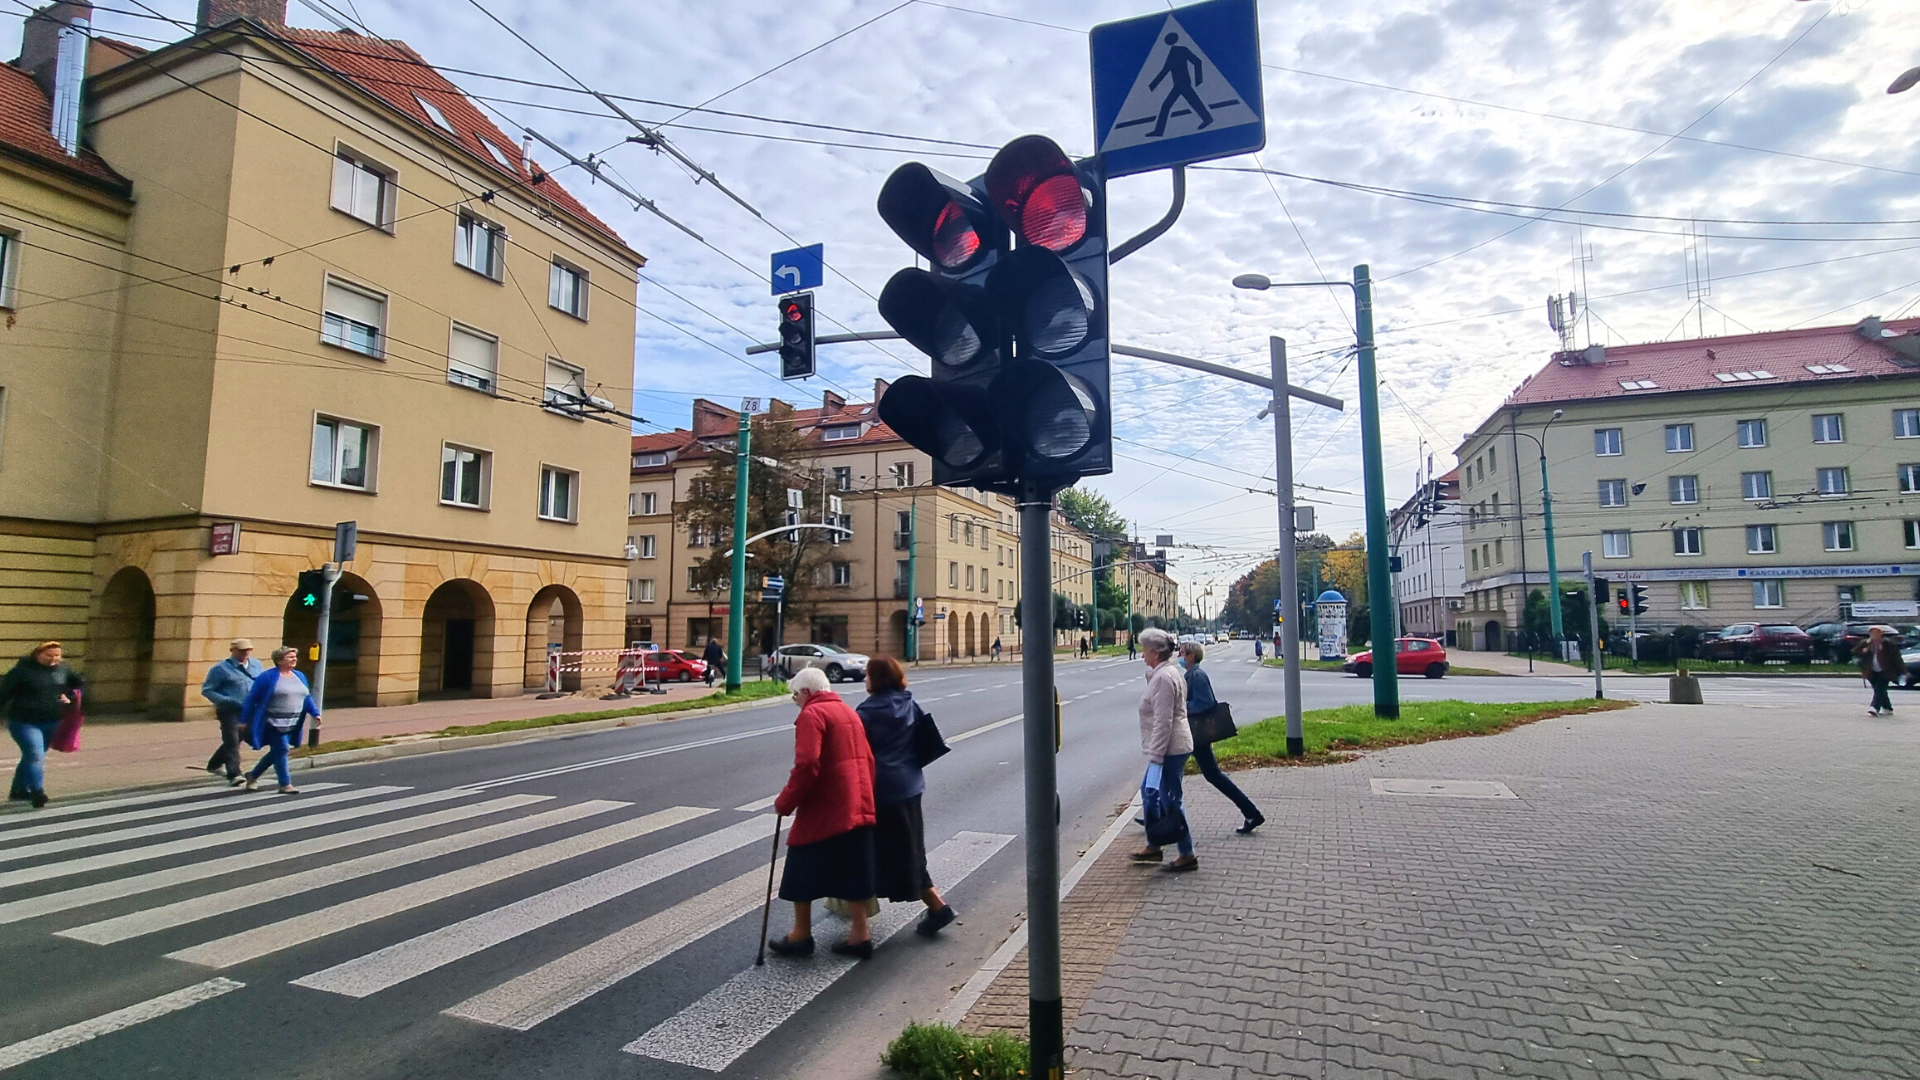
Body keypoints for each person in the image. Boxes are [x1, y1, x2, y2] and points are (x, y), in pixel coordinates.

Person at [768, 666, 879, 959]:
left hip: (827, 804)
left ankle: (800, 935)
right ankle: (860, 933)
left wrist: (785, 802)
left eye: (795, 696)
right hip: (857, 801)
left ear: (806, 692)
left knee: (800, 865)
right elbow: (867, 758)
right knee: (853, 867)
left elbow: (807, 765)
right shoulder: (848, 712)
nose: (796, 702)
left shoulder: (812, 715)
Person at [854, 657, 957, 936]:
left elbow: (855, 754)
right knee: (909, 848)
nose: (864, 680)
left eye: (867, 675)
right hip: (911, 785)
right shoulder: (909, 703)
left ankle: (861, 927)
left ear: (877, 679)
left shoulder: (865, 712)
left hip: (880, 791)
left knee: (868, 853)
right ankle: (935, 906)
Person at [1180, 641, 1264, 834]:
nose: (1179, 656)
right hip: (1194, 734)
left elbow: (1206, 703)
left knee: (1173, 771)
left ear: (1191, 656)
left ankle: (1157, 815)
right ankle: (1251, 812)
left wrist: (1182, 707)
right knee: (1209, 775)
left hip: (1196, 733)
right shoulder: (1192, 674)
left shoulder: (1197, 675)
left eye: (1182, 653)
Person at [1131, 628, 1196, 872]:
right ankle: (1153, 843)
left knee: (1170, 800)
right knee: (1150, 794)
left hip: (1171, 749)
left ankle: (1186, 853)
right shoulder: (1162, 675)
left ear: (1156, 652)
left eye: (1145, 650)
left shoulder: (1165, 678)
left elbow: (1163, 721)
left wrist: (1156, 757)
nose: (1142, 655)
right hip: (1168, 748)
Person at [2, 642, 83, 808]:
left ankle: (18, 790)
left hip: (52, 721)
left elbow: (79, 684)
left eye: (57, 655)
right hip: (24, 722)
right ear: (38, 654)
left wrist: (71, 697)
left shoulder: (63, 669)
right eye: (49, 655)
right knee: (35, 754)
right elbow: (3, 693)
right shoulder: (22, 672)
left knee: (32, 756)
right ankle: (37, 792)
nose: (53, 659)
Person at [238, 646, 319, 794]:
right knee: (282, 749)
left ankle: (253, 775)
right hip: (272, 721)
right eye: (290, 657)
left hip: (292, 722)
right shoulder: (267, 677)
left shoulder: (299, 676)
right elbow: (251, 699)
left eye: (294, 656)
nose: (294, 659)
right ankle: (285, 784)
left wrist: (314, 712)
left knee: (277, 751)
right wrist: (243, 720)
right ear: (280, 660)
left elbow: (306, 696)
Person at [201, 638, 264, 785]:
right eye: (242, 651)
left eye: (248, 650)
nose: (245, 653)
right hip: (229, 710)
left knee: (242, 738)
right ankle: (234, 774)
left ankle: (214, 764)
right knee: (232, 740)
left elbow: (261, 682)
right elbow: (207, 690)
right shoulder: (221, 669)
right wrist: (226, 700)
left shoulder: (256, 665)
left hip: (250, 710)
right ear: (233, 651)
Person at [1856, 626, 1902, 717]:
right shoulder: (1866, 643)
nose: (1875, 635)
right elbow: (1855, 652)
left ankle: (1874, 708)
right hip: (1871, 671)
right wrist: (1863, 651)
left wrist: (1902, 671)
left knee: (1879, 689)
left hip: (1886, 671)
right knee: (1880, 690)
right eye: (1872, 633)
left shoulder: (1888, 644)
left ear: (1881, 634)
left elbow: (1897, 658)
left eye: (1877, 633)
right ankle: (1887, 708)